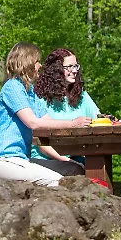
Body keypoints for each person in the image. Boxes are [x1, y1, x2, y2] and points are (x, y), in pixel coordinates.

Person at [0, 42, 91, 186]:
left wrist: (80, 128)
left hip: (21, 160)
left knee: (74, 170)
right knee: (59, 183)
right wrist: (73, 123)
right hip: (3, 160)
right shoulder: (12, 87)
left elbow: (48, 122)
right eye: (37, 62)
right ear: (27, 63)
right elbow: (33, 123)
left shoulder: (31, 92)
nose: (40, 66)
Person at [31, 48, 100, 176]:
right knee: (79, 169)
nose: (74, 71)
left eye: (76, 66)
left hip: (75, 157)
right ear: (56, 70)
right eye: (69, 67)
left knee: (99, 167)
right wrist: (67, 160)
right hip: (45, 159)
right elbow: (42, 145)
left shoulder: (82, 96)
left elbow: (98, 118)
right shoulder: (39, 98)